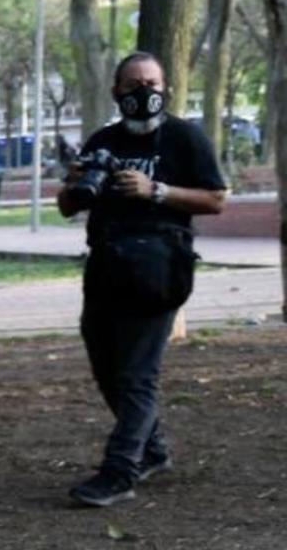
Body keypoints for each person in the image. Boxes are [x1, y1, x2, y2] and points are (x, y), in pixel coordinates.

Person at [58, 51, 228, 508]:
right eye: (133, 86)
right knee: (107, 367)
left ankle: (120, 470)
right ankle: (152, 450)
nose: (144, 94)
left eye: (152, 85)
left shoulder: (184, 138)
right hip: (106, 266)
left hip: (158, 266)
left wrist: (157, 190)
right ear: (116, 91)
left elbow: (215, 199)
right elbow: (67, 206)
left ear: (166, 88)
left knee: (137, 374)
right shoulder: (103, 139)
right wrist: (74, 183)